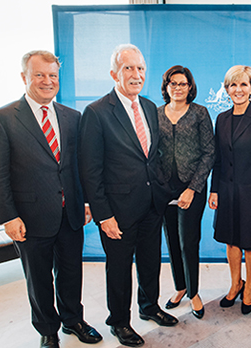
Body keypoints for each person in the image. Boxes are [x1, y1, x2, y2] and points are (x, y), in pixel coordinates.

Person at [0, 51, 102, 348]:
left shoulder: (71, 117)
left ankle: (73, 320)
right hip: (29, 217)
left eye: (53, 75)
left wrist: (87, 203)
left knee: (70, 272)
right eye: (40, 74)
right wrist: (8, 217)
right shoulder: (2, 119)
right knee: (38, 279)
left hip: (71, 212)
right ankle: (47, 330)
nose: (47, 81)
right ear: (24, 77)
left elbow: (80, 165)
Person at [78, 44, 177, 348]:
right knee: (119, 269)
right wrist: (103, 214)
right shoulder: (96, 112)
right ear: (114, 73)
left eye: (141, 69)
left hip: (150, 206)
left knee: (150, 262)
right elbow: (90, 169)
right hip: (117, 211)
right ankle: (119, 322)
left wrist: (161, 190)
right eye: (128, 68)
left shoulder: (148, 106)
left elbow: (153, 156)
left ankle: (149, 307)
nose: (136, 75)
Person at [208, 65, 251, 315]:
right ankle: (235, 284)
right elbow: (218, 159)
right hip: (226, 192)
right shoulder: (222, 119)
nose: (238, 89)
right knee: (231, 241)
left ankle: (249, 290)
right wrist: (214, 190)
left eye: (243, 84)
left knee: (249, 244)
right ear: (227, 89)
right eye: (233, 85)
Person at [158, 65, 215, 319]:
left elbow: (209, 153)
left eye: (183, 84)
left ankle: (193, 292)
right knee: (171, 240)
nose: (178, 88)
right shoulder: (156, 114)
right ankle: (180, 287)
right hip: (164, 188)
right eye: (173, 83)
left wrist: (193, 188)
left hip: (192, 187)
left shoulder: (200, 113)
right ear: (166, 86)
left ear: (190, 87)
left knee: (188, 240)